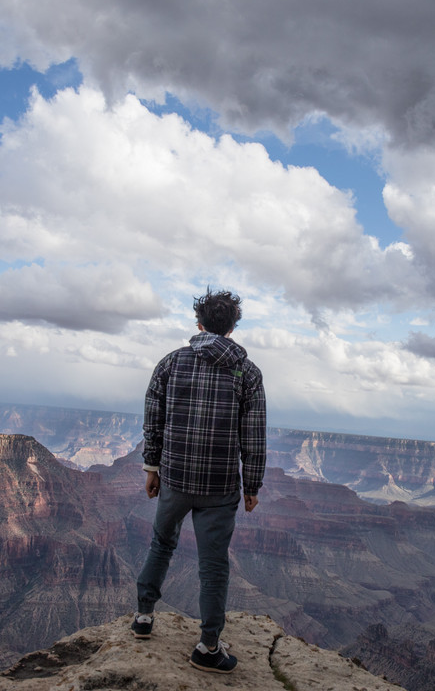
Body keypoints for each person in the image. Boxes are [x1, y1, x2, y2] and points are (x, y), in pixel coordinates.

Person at [132, 288, 267, 674]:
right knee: (213, 565)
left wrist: (151, 467)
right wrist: (252, 485)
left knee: (161, 543)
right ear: (233, 326)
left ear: (199, 323)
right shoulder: (248, 372)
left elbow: (153, 417)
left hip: (174, 478)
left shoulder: (171, 363)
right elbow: (253, 433)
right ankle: (208, 646)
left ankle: (143, 617)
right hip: (221, 486)